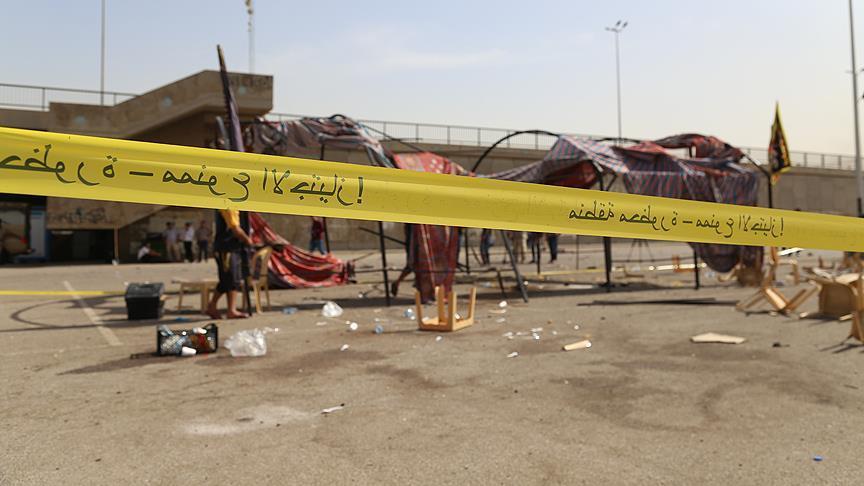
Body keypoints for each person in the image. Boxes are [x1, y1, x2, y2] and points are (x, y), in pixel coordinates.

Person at [206, 209, 254, 320]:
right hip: (226, 248)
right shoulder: (229, 207)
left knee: (227, 280)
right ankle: (230, 310)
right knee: (231, 278)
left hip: (233, 247)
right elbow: (234, 228)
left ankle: (214, 306)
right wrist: (248, 240)